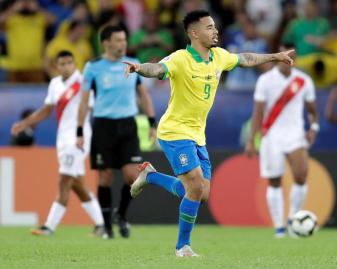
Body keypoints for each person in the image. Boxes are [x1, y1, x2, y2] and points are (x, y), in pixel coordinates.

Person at [124, 10, 294, 257]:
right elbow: (158, 69)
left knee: (199, 193)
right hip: (174, 130)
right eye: (209, 27)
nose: (215, 31)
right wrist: (140, 67)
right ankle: (183, 247)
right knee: (194, 186)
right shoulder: (181, 58)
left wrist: (274, 57)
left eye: (214, 26)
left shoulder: (219, 57)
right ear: (194, 33)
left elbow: (245, 58)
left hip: (197, 135)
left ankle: (150, 176)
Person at [11, 50, 104, 237]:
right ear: (56, 66)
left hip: (78, 138)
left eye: (70, 63)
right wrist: (25, 122)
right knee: (77, 183)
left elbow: (95, 109)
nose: (66, 67)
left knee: (64, 179)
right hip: (62, 138)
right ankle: (101, 225)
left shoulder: (83, 82)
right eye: (62, 64)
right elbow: (46, 110)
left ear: (75, 64)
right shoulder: (54, 84)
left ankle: (50, 226)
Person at [76, 25, 156, 239]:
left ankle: (120, 214)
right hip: (103, 125)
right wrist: (79, 131)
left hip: (128, 125)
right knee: (105, 176)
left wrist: (152, 124)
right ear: (106, 43)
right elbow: (83, 101)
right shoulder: (93, 67)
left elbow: (144, 96)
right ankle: (107, 227)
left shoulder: (132, 64)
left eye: (124, 40)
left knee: (133, 177)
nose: (123, 44)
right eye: (118, 40)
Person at [244, 42, 320, 238]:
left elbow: (313, 112)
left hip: (295, 135)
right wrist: (252, 140)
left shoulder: (304, 81)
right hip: (272, 136)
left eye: (291, 56)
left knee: (301, 175)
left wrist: (314, 127)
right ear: (278, 57)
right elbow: (258, 112)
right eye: (285, 55)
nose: (288, 60)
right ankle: (279, 226)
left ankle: (293, 220)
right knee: (275, 181)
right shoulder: (266, 80)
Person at [0, 0, 56, 82]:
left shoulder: (39, 18)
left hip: (36, 67)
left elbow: (52, 20)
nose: (26, 4)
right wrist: (14, 9)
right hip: (15, 67)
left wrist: (37, 8)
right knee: (13, 94)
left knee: (38, 94)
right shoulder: (12, 19)